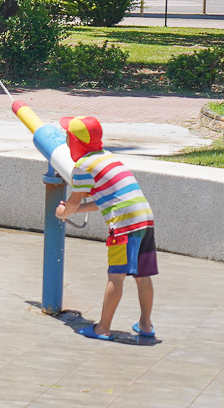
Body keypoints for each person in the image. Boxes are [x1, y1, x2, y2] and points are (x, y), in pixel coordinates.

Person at [54, 116, 157, 341]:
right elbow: (106, 199)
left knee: (116, 276)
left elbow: (73, 201)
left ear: (74, 141)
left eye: (67, 136)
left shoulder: (83, 166)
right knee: (142, 276)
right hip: (144, 217)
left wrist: (65, 213)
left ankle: (103, 328)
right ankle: (146, 325)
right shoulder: (107, 157)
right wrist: (78, 210)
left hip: (123, 224)